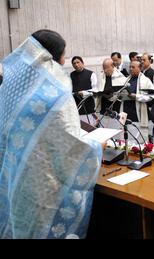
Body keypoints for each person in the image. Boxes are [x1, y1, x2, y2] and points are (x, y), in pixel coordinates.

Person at [0, 29, 103, 238]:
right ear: (56, 57)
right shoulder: (53, 88)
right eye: (65, 56)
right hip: (41, 185)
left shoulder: (10, 82)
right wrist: (95, 148)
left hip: (11, 176)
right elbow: (70, 145)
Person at [121, 61, 153, 142]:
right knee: (126, 140)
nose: (131, 69)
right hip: (126, 113)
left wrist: (136, 96)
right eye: (130, 67)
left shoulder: (146, 80)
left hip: (138, 114)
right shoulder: (125, 80)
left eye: (133, 67)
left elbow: (150, 96)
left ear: (140, 68)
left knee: (138, 141)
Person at [70, 56, 98, 123]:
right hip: (77, 106)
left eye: (78, 62)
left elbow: (95, 90)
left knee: (91, 128)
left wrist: (84, 93)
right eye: (74, 63)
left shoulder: (91, 74)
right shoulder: (71, 75)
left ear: (82, 63)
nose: (76, 65)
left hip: (89, 106)